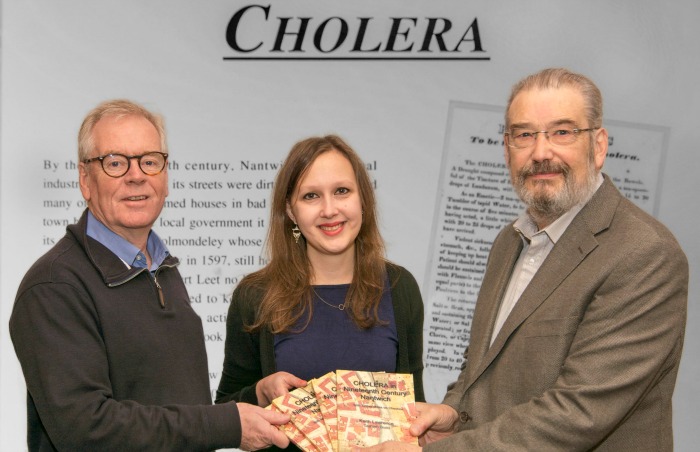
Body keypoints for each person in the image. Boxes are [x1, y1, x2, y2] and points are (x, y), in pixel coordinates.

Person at [361, 68, 689, 451]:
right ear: (506, 150)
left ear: (598, 146)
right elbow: (483, 364)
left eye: (562, 132)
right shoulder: (509, 240)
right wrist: (454, 412)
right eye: (524, 135)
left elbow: (577, 413)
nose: (540, 152)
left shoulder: (644, 253)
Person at [9, 99, 290, 451]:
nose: (136, 175)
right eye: (115, 162)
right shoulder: (54, 287)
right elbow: (85, 429)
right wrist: (227, 425)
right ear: (85, 179)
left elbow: (180, 412)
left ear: (165, 176)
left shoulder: (162, 270)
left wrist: (255, 398)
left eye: (150, 161)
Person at [215, 135, 425, 446]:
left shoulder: (399, 286)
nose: (329, 210)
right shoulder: (255, 294)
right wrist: (260, 392)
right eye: (311, 196)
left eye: (342, 191)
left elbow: (415, 411)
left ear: (363, 200)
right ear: (290, 210)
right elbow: (225, 411)